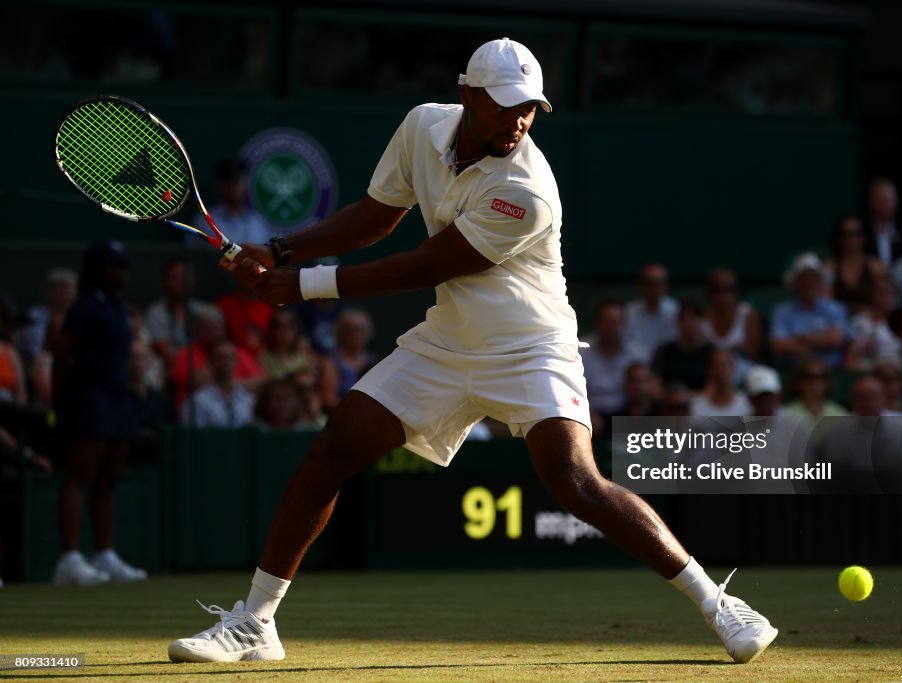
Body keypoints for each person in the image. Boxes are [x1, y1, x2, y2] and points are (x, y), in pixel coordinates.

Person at [168, 38, 777, 665]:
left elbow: (429, 264)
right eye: (505, 107)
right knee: (333, 449)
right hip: (450, 339)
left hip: (531, 345)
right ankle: (256, 624)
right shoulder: (422, 126)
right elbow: (375, 218)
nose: (517, 122)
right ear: (468, 97)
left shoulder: (528, 190)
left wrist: (301, 285)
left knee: (574, 479)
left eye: (529, 110)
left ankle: (718, 604)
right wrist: (283, 250)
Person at [51, 241, 147, 585]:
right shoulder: (84, 308)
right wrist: (59, 402)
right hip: (88, 401)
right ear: (96, 269)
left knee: (107, 482)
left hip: (118, 400)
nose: (121, 273)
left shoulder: (118, 306)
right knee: (80, 478)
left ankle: (105, 555)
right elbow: (62, 356)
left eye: (123, 266)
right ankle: (69, 559)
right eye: (113, 266)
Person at [770, 252, 847, 370]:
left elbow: (836, 340)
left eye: (813, 278)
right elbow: (779, 346)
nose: (809, 283)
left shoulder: (836, 309)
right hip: (794, 372)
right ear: (795, 283)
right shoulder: (781, 311)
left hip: (831, 371)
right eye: (804, 279)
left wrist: (800, 339)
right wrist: (822, 341)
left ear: (821, 282)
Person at [580, 298, 647, 427]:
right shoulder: (580, 352)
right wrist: (586, 413)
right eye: (607, 321)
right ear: (597, 323)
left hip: (627, 415)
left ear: (624, 324)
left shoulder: (637, 354)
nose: (611, 327)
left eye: (616, 322)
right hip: (589, 415)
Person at [179, 340, 255, 428]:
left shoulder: (248, 400)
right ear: (211, 362)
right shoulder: (197, 401)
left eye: (231, 358)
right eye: (221, 358)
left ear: (236, 362)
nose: (227, 362)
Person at [197, 159, 273, 246]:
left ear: (245, 185)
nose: (233, 188)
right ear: (220, 185)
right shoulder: (204, 222)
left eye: (237, 182)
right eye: (228, 182)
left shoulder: (259, 223)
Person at [700, 268, 761, 377]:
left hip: (744, 375)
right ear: (710, 292)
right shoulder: (701, 317)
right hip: (710, 376)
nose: (725, 295)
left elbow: (755, 353)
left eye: (730, 289)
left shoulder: (747, 314)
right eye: (719, 289)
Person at [321, 307, 379, 411]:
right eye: (350, 331)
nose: (356, 335)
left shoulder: (374, 361)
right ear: (341, 333)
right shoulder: (331, 362)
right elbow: (329, 399)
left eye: (360, 330)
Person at [824, 216, 883, 316]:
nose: (852, 240)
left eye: (856, 234)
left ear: (863, 237)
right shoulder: (830, 268)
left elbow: (882, 302)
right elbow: (825, 303)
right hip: (838, 323)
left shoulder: (875, 267)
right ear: (839, 239)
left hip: (870, 323)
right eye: (846, 235)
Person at [650, 298, 714, 392]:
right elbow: (655, 386)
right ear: (678, 321)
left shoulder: (711, 352)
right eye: (686, 318)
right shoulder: (664, 350)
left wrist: (690, 398)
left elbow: (713, 387)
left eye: (695, 318)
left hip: (701, 403)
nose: (690, 323)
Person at [623, 263, 679, 362]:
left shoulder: (676, 311)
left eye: (658, 284)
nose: (654, 289)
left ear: (666, 286)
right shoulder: (628, 312)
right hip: (635, 366)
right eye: (649, 283)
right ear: (641, 285)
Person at [864, 177, 902, 267]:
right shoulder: (862, 231)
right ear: (871, 201)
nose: (887, 205)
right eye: (882, 200)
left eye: (890, 200)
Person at [690, 348, 753, 417]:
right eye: (716, 366)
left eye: (723, 365)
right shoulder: (696, 405)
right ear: (709, 370)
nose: (720, 370)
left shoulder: (747, 404)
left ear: (733, 369)